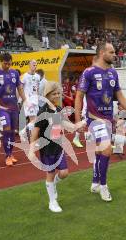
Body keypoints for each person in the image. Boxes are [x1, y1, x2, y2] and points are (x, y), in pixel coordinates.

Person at [75, 42, 126, 202]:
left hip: (109, 119)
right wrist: (77, 121)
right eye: (112, 52)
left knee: (99, 151)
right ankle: (104, 186)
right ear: (102, 53)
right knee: (107, 149)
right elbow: (79, 96)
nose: (115, 54)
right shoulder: (88, 72)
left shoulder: (112, 73)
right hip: (94, 119)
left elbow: (119, 95)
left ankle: (95, 182)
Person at [30, 81, 85, 212]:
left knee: (64, 173)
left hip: (59, 146)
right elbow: (35, 133)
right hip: (47, 149)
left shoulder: (59, 110)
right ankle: (52, 201)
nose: (57, 96)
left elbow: (67, 125)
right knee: (50, 174)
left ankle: (52, 184)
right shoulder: (42, 112)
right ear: (47, 95)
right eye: (54, 94)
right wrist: (31, 151)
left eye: (58, 93)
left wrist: (78, 127)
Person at [0, 53, 27, 166]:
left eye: (9, 63)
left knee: (12, 131)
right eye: (5, 63)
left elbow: (20, 88)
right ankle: (7, 156)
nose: (7, 65)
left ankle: (11, 153)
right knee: (6, 128)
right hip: (2, 107)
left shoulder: (15, 73)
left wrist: (26, 100)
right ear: (1, 62)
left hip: (14, 107)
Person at [20, 60, 41, 140]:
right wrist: (24, 100)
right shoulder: (24, 76)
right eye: (33, 65)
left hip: (35, 100)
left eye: (36, 65)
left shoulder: (38, 76)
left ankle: (25, 133)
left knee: (34, 121)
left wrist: (37, 97)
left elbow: (37, 88)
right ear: (29, 65)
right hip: (28, 101)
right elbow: (20, 88)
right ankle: (26, 134)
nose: (35, 66)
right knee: (33, 120)